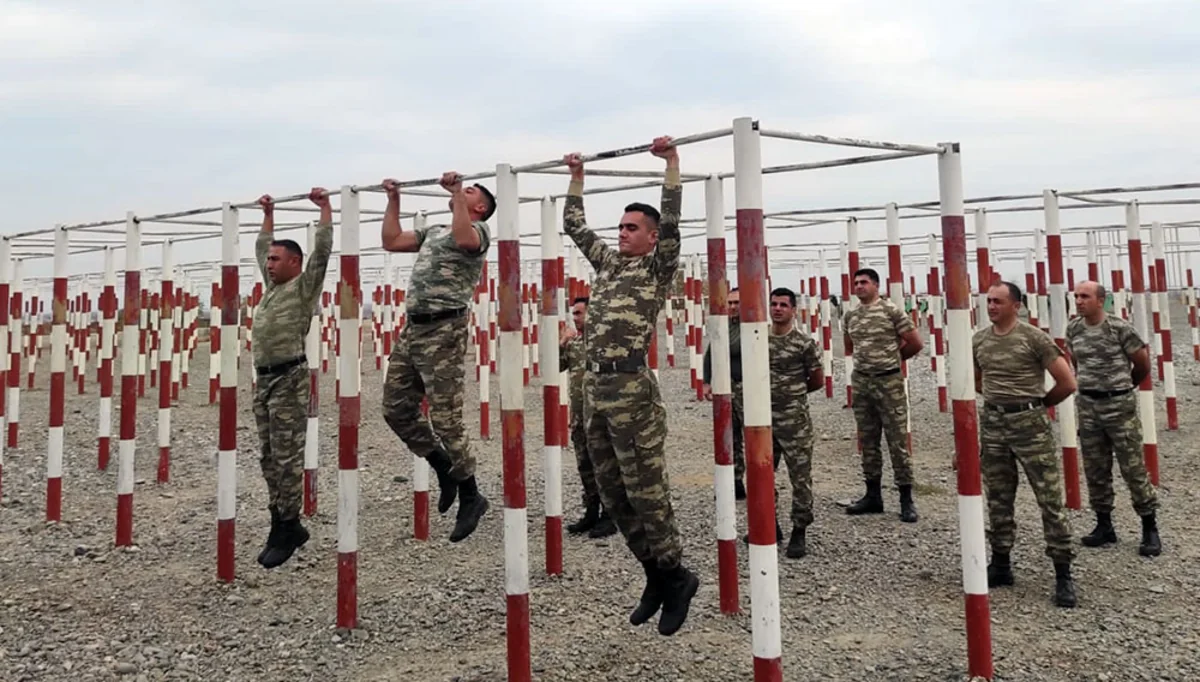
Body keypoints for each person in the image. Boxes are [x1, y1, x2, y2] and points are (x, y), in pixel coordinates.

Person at [561, 137, 698, 637]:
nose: (621, 233)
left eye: (631, 227)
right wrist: (577, 175)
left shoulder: (657, 268)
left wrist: (672, 165)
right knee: (614, 496)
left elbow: (674, 220)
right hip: (594, 388)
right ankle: (655, 575)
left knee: (647, 493)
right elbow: (574, 225)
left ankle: (676, 574)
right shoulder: (610, 264)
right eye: (619, 226)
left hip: (632, 390)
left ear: (652, 237)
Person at [379, 172, 495, 542]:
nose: (464, 191)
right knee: (395, 408)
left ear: (479, 207)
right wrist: (394, 199)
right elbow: (392, 241)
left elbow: (465, 238)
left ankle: (471, 494)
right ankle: (443, 465)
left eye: (471, 191)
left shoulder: (479, 233)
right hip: (414, 328)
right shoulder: (434, 232)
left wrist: (457, 195)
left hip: (445, 329)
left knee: (446, 418)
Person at [974, 281, 1078, 608]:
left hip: (1030, 424)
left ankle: (1063, 573)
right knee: (999, 498)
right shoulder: (980, 341)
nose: (991, 307)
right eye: (989, 301)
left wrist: (1037, 405)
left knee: (1049, 499)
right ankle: (1001, 563)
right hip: (993, 423)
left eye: (998, 302)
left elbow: (1067, 381)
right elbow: (979, 381)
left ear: (1015, 305)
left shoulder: (1033, 338)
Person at [252, 189, 333, 568]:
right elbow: (262, 243)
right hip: (264, 380)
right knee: (269, 456)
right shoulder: (271, 291)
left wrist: (325, 210)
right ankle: (280, 522)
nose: (268, 264)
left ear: (295, 263)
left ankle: (288, 524)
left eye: (275, 259)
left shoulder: (302, 289)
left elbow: (323, 254)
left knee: (286, 457)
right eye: (268, 259)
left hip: (288, 378)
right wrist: (269, 213)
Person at [1067, 281, 1161, 556]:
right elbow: (1077, 364)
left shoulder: (1119, 328)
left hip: (1118, 404)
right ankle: (1104, 525)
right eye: (1077, 296)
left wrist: (1122, 388)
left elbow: (1142, 363)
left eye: (1085, 296)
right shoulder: (1073, 329)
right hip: (1088, 405)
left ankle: (1149, 527)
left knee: (1132, 467)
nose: (1079, 301)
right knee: (1096, 469)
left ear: (1100, 301)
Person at [842, 268, 923, 522]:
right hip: (863, 382)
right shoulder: (851, 315)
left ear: (876, 286)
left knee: (897, 441)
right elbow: (849, 346)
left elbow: (915, 342)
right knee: (868, 441)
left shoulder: (891, 311)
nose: (859, 287)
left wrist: (893, 360)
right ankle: (873, 495)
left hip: (888, 381)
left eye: (864, 282)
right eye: (855, 283)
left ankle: (906, 498)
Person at [763, 287, 824, 558]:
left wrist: (792, 393)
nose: (777, 309)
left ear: (792, 310)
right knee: (761, 476)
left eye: (783, 305)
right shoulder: (759, 338)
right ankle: (769, 524)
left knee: (799, 477)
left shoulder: (804, 343)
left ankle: (799, 529)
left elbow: (817, 379)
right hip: (764, 420)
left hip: (794, 420)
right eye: (774, 304)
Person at [560, 296, 617, 538]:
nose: (575, 318)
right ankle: (591, 510)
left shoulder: (606, 342)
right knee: (585, 465)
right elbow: (556, 366)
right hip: (579, 416)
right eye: (573, 313)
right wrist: (561, 342)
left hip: (600, 417)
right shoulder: (574, 344)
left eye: (579, 313)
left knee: (605, 467)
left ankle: (610, 516)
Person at [701, 287, 745, 500]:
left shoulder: (754, 327)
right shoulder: (725, 327)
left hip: (749, 390)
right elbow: (710, 354)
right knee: (731, 437)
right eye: (730, 303)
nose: (733, 307)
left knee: (755, 437)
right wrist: (706, 382)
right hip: (729, 388)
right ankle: (735, 481)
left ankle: (760, 482)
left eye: (737, 303)